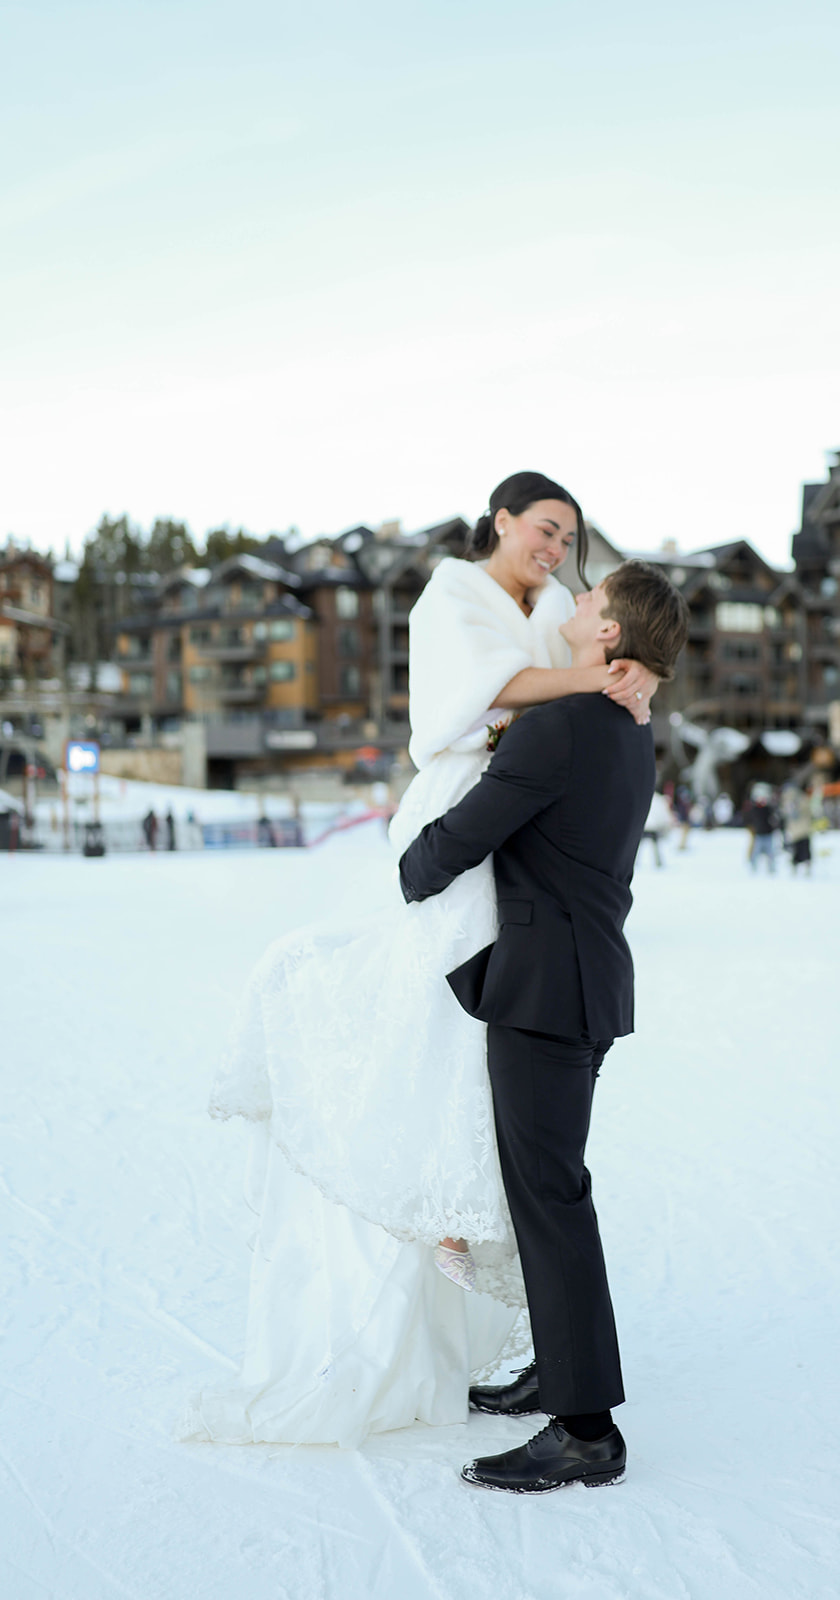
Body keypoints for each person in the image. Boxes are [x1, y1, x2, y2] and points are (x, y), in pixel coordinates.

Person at [181, 473, 657, 1450]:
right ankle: (548, 1358)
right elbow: (463, 707)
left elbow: (475, 819)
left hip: (529, 903)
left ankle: (578, 1409)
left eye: (570, 539)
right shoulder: (462, 602)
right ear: (500, 521)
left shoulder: (575, 658)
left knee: (534, 1162)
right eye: (543, 528)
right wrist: (605, 678)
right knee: (503, 1119)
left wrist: (607, 679)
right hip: (530, 887)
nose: (558, 551)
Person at [399, 560, 689, 1491]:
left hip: (545, 995)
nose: (577, 600)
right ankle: (553, 1376)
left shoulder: (561, 728)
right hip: (582, 984)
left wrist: (410, 859)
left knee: (550, 1198)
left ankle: (585, 1429)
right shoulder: (625, 727)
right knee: (547, 1189)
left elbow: (459, 841)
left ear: (607, 636)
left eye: (594, 601)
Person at [742, 784, 779, 872]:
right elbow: (749, 819)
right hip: (759, 835)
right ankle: (752, 867)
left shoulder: (769, 809)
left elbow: (774, 820)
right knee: (755, 853)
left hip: (768, 835)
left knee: (770, 854)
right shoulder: (753, 809)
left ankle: (772, 869)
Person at [641, 787, 673, 868]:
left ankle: (635, 861)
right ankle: (658, 861)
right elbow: (663, 815)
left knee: (638, 846)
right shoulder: (660, 800)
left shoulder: (644, 796)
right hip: (654, 827)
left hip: (645, 826)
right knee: (655, 846)